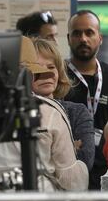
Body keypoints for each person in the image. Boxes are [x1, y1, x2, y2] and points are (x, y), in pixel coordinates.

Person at [0, 37, 88, 192]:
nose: (45, 75)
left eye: (51, 67)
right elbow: (72, 182)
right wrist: (78, 166)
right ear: (29, 76)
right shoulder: (49, 111)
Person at [64, 10, 108, 201]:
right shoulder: (59, 77)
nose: (83, 39)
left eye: (89, 32)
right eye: (77, 33)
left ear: (99, 38)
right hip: (71, 172)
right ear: (68, 39)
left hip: (107, 174)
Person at [31, 38, 95, 171]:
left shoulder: (77, 112)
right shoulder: (17, 114)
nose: (46, 73)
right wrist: (69, 148)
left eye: (51, 67)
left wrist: (45, 150)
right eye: (37, 68)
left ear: (59, 72)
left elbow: (85, 161)